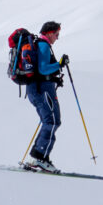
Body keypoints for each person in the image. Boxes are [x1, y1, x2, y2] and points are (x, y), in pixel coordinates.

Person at [25, 20, 69, 173]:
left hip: (40, 89)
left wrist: (54, 77)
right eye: (56, 34)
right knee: (51, 121)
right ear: (49, 33)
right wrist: (60, 64)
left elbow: (41, 70)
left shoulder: (42, 45)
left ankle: (39, 157)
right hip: (41, 90)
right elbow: (43, 69)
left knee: (51, 121)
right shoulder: (43, 45)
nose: (57, 37)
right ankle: (40, 158)